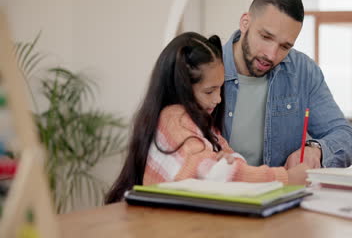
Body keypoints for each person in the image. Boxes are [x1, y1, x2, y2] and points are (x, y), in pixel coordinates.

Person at [105, 32, 309, 204]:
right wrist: (286, 178)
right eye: (209, 91)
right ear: (182, 87)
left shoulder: (203, 125)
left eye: (220, 88)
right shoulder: (174, 119)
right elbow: (215, 175)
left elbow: (231, 159)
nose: (219, 99)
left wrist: (229, 161)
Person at [222, 0, 352, 169]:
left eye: (285, 46)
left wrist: (315, 150)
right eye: (266, 37)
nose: (271, 55)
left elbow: (344, 136)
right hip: (214, 193)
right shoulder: (202, 66)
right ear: (245, 23)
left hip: (279, 193)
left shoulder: (303, 72)